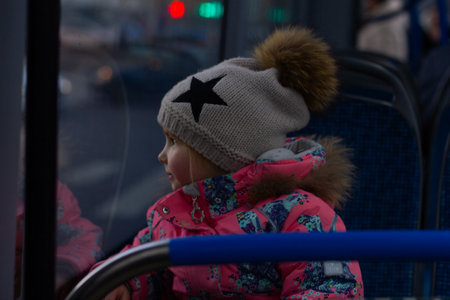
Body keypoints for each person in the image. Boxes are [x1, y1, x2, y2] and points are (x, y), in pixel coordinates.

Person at [95, 27, 364, 299]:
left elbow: (332, 289)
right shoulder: (179, 215)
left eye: (174, 142)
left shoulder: (299, 218)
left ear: (221, 154)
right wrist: (127, 285)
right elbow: (146, 264)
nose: (161, 155)